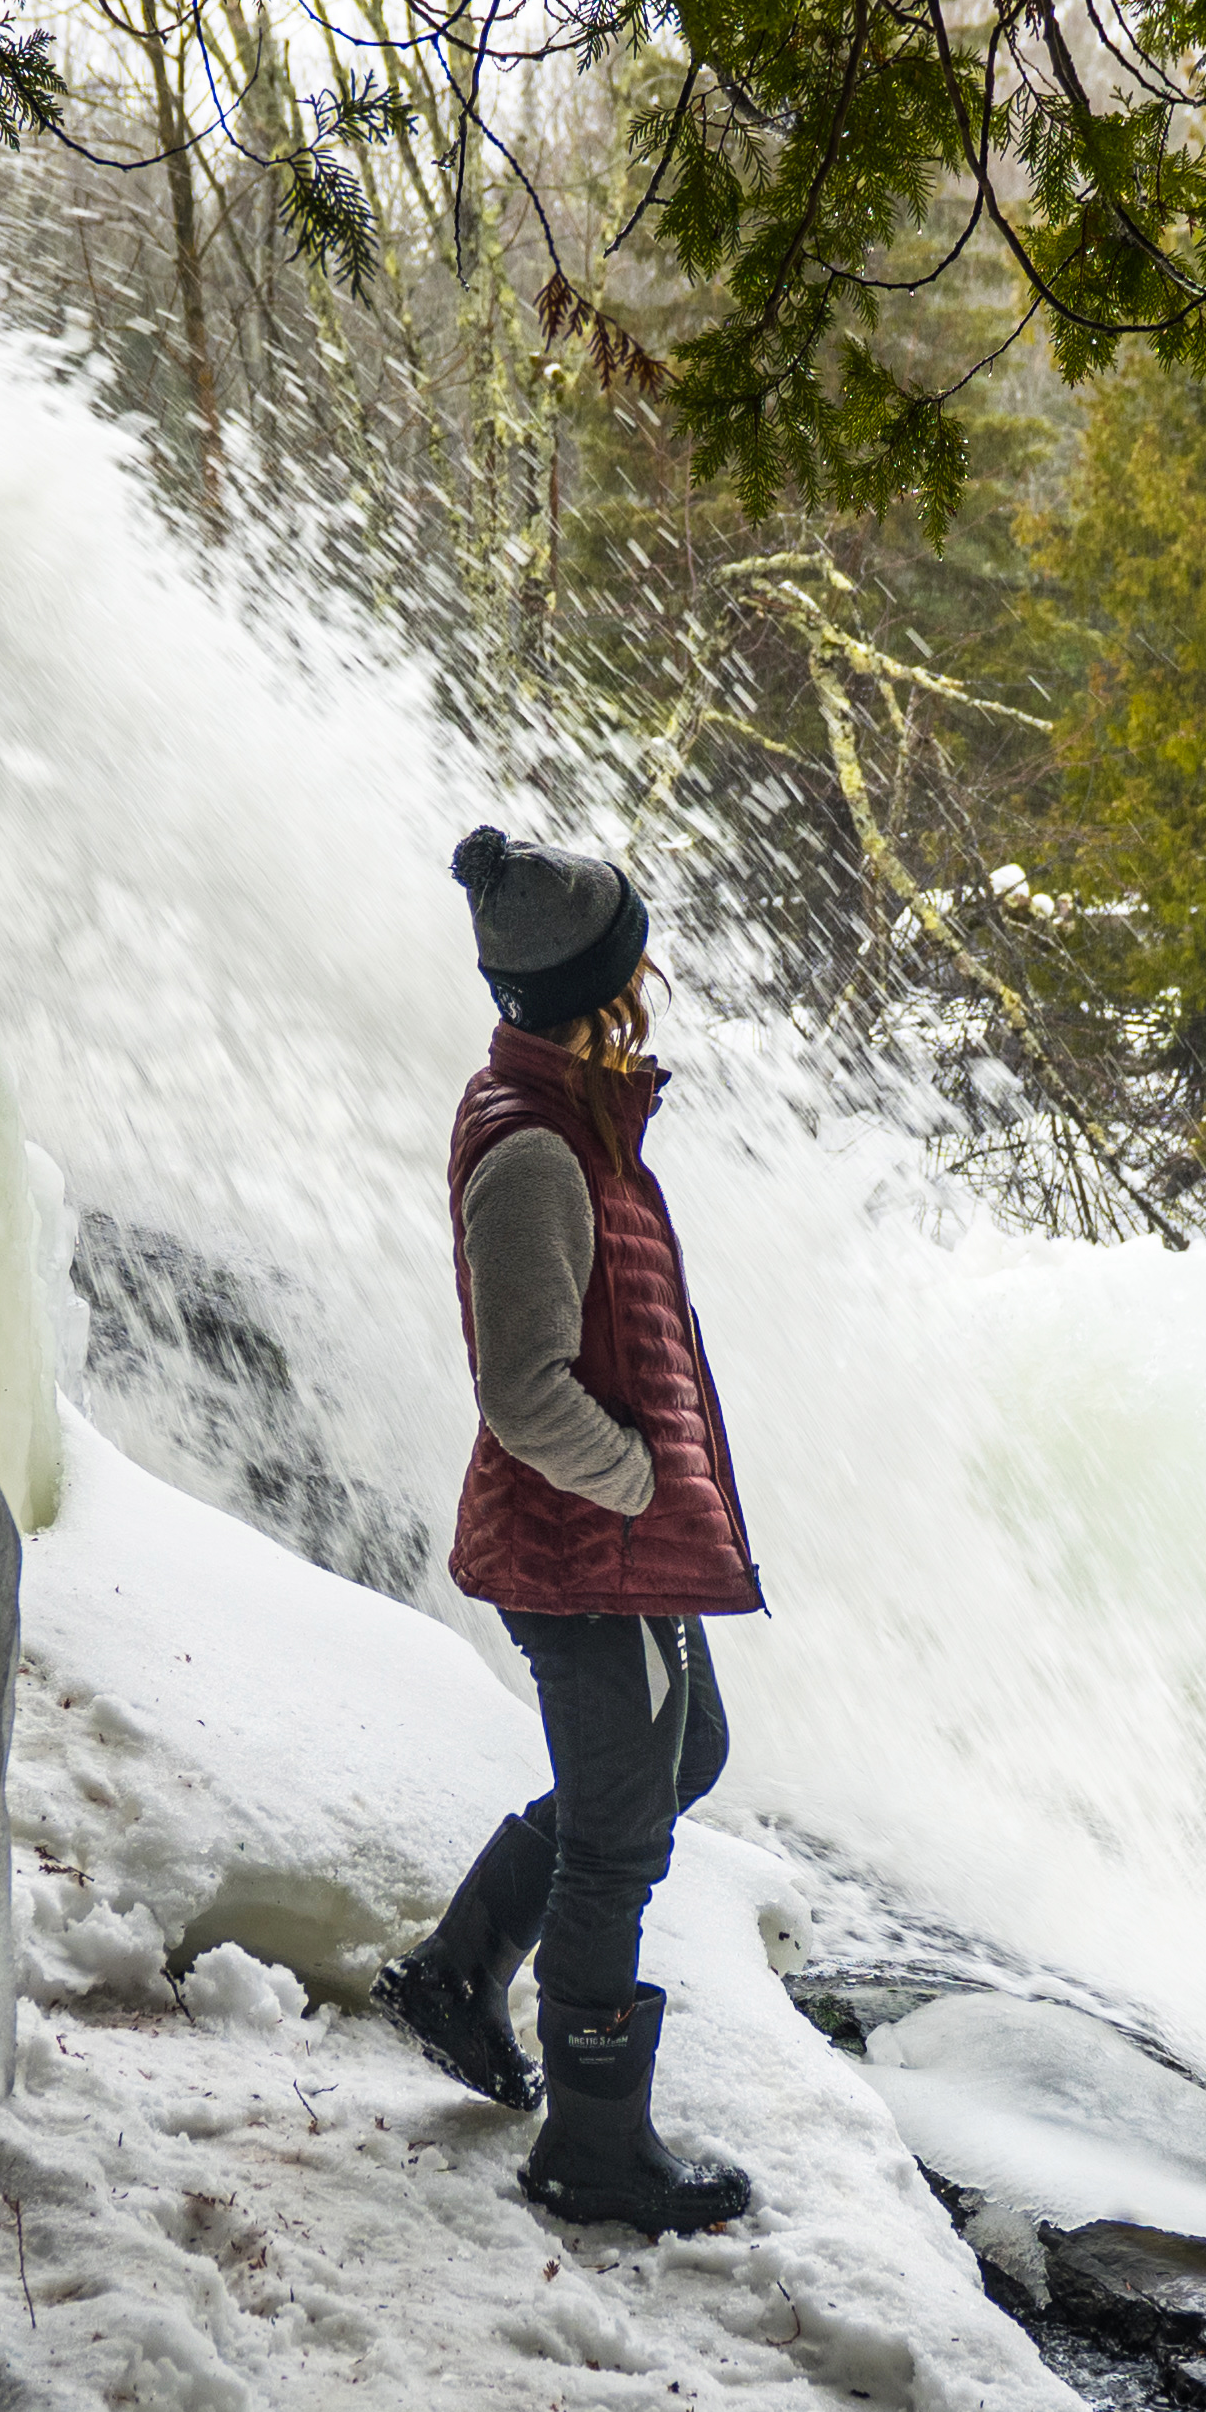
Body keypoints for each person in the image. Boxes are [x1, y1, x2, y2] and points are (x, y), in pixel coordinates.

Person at [371, 827, 772, 2233]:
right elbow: (521, 1387)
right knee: (619, 1836)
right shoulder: (537, 1153)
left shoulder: (572, 1110)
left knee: (685, 1759)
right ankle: (592, 2145)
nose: (650, 976)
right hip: (587, 1555)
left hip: (615, 1545)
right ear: (596, 989)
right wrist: (641, 1486)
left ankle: (453, 1968)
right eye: (634, 959)